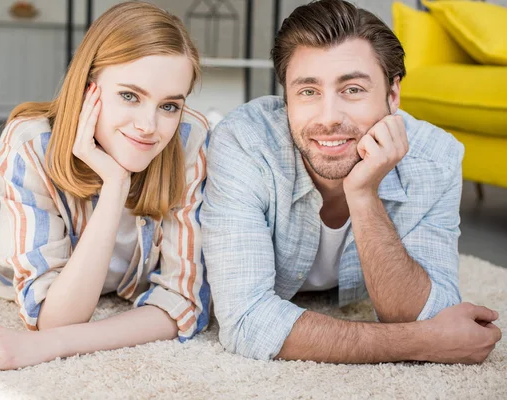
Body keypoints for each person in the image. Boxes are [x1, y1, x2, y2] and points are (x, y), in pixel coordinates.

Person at [201, 0, 502, 364]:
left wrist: (363, 195)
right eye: (308, 92)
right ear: (287, 99)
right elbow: (246, 322)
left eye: (353, 89)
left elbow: (425, 312)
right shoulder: (245, 143)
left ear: (393, 95)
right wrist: (420, 342)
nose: (328, 118)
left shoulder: (436, 158)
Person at [0, 1, 210, 372]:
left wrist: (48, 346)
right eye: (129, 96)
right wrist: (115, 187)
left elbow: (183, 303)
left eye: (169, 106)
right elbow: (54, 316)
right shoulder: (30, 144)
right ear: (87, 89)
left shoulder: (190, 139)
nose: (149, 125)